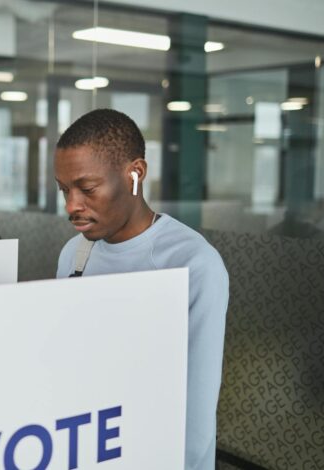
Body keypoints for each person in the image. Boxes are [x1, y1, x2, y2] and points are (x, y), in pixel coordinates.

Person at [54, 109, 229, 470]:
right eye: (64, 190)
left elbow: (195, 414)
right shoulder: (75, 253)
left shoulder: (193, 264)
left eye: (87, 189)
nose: (72, 205)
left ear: (136, 173)